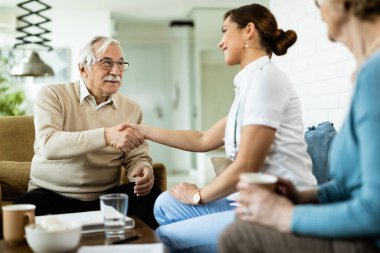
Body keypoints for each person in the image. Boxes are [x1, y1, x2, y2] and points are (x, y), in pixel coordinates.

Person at [122, 3, 317, 252]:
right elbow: (202, 139)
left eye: (225, 31)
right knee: (164, 205)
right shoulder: (249, 86)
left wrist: (198, 195)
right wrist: (143, 130)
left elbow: (247, 166)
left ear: (249, 30)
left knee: (165, 236)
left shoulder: (265, 82)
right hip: (246, 198)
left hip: (276, 204)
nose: (220, 42)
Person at [218, 0, 380, 252]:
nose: (319, 9)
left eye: (319, 2)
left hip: (368, 241)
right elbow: (350, 184)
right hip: (357, 226)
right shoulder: (367, 72)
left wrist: (284, 215)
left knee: (238, 235)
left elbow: (374, 212)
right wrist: (304, 197)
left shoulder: (375, 75)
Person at [14, 35, 161, 229]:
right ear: (83, 68)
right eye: (106, 63)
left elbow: (136, 156)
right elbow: (49, 144)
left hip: (105, 199)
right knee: (24, 208)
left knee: (152, 196)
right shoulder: (52, 94)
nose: (116, 71)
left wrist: (142, 169)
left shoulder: (132, 109)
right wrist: (107, 136)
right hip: (52, 195)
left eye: (120, 63)